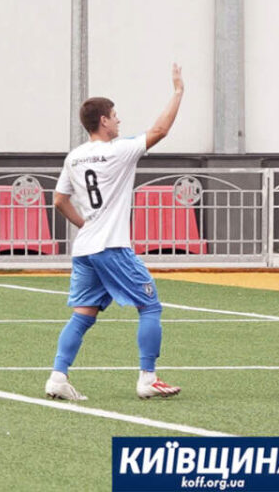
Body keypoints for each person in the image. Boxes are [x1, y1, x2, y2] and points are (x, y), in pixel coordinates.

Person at [45, 64, 185, 401]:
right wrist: (178, 91)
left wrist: (85, 225)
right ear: (103, 121)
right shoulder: (119, 150)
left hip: (86, 248)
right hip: (111, 246)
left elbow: (59, 200)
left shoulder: (74, 157)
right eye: (114, 115)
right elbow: (161, 129)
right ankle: (148, 377)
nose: (119, 120)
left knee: (83, 315)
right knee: (150, 306)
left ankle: (57, 377)